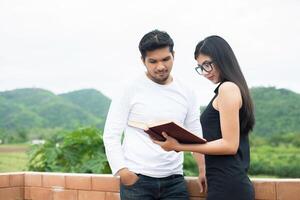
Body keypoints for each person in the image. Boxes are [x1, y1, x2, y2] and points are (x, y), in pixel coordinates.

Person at [103, 29, 206, 200]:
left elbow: (195, 132)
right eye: (153, 61)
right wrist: (124, 173)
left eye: (166, 59)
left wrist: (203, 169)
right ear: (143, 61)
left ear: (173, 55)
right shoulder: (129, 88)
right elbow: (111, 134)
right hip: (137, 181)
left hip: (174, 180)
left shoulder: (187, 91)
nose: (160, 66)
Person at [153, 35, 255, 200]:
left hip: (229, 186)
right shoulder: (228, 89)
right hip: (222, 183)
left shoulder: (227, 89)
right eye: (200, 67)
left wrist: (179, 146)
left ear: (222, 58)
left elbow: (230, 145)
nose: (205, 72)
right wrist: (204, 170)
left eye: (207, 64)